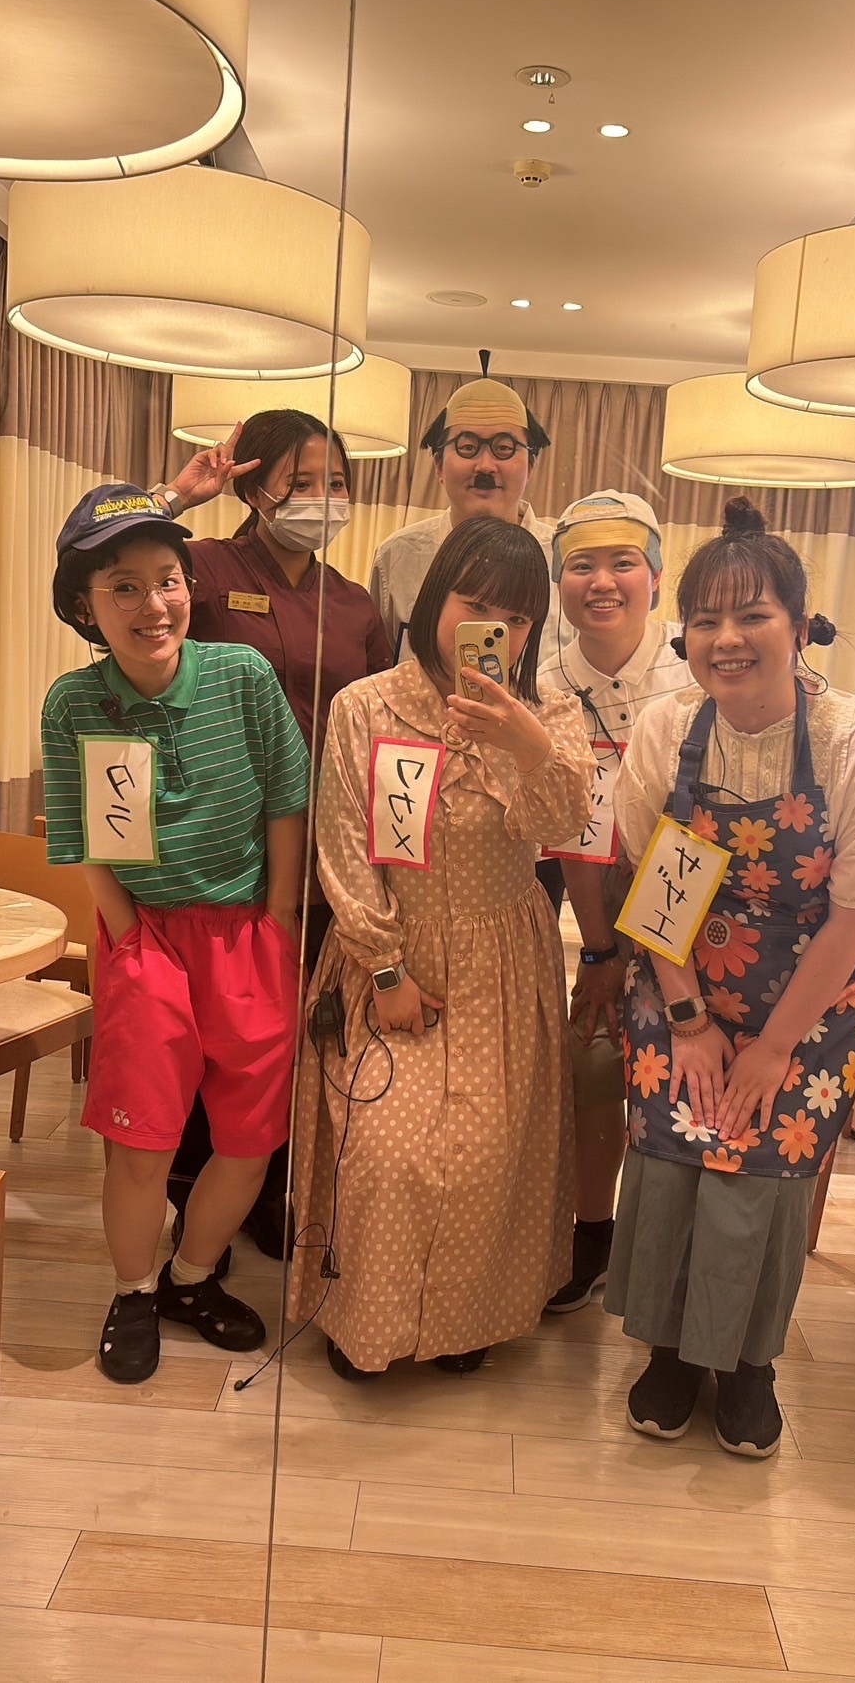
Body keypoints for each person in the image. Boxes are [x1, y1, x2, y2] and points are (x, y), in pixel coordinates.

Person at [606, 496, 855, 1457]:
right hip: (682, 978)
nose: (728, 639)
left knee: (763, 1173)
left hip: (814, 998)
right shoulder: (667, 729)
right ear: (684, 634)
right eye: (706, 619)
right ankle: (669, 1351)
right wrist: (690, 1020)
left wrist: (773, 1047)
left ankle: (748, 1363)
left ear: (800, 625)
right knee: (670, 1159)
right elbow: (656, 886)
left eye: (753, 616)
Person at [287, 517, 595, 1378]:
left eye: (518, 618)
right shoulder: (366, 706)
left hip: (505, 959)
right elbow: (346, 844)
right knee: (386, 1152)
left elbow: (562, 826)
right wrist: (385, 965)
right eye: (475, 604)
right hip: (392, 951)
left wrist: (528, 747)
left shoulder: (551, 713)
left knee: (490, 1156)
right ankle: (368, 1322)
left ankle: (464, 1320)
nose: (495, 629)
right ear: (433, 601)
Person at [41, 485, 309, 1384]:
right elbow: (83, 837)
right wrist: (127, 939)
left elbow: (286, 799)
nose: (152, 604)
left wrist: (278, 917)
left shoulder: (243, 676)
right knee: (141, 1141)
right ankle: (133, 1291)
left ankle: (192, 1279)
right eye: (123, 586)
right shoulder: (74, 704)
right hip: (146, 936)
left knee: (250, 1139)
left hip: (248, 934)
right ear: (86, 606)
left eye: (167, 580)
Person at [149, 411, 393, 1259]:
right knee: (206, 1035)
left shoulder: (355, 604)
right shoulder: (202, 567)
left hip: (321, 849)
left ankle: (262, 1188)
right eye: (302, 481)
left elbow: (384, 723)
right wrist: (176, 498)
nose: (324, 498)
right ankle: (189, 1210)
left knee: (285, 1032)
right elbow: (96, 581)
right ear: (256, 487)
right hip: (216, 845)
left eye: (337, 482)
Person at [537, 491, 693, 1311]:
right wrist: (599, 951)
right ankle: (592, 1228)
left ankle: (669, 1246)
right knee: (595, 1061)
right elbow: (572, 828)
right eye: (581, 566)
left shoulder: (697, 667)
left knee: (683, 1072)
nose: (602, 581)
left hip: (700, 904)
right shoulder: (543, 681)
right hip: (595, 897)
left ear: (656, 578)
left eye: (622, 562)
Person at [368, 371, 561, 665]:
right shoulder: (397, 556)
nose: (485, 466)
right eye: (467, 447)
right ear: (438, 465)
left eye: (504, 448)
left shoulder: (566, 560)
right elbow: (377, 669)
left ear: (531, 466)